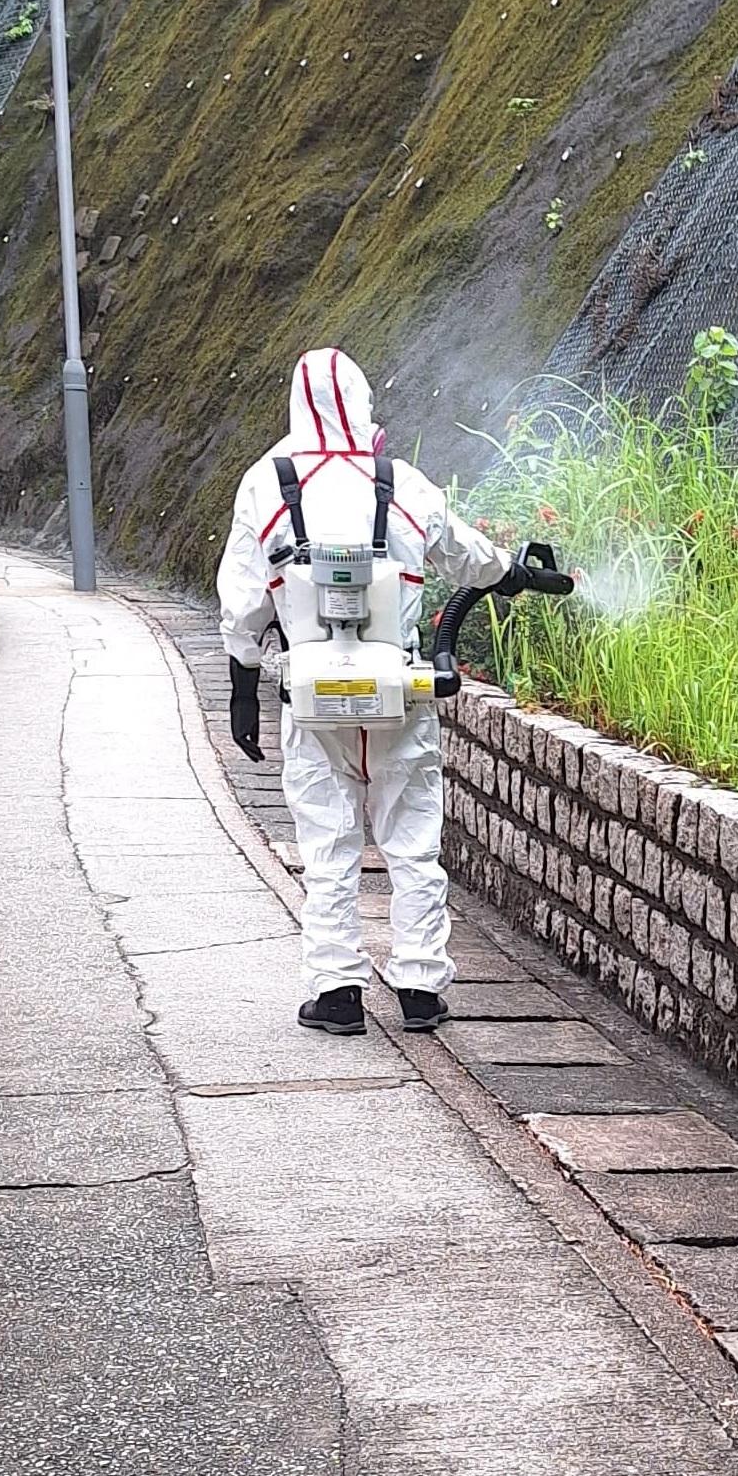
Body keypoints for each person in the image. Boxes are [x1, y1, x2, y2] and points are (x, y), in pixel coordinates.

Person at [217, 348, 511, 1037]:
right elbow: (469, 555)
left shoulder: (267, 483)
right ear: (363, 400)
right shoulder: (400, 481)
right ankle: (418, 983)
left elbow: (241, 602)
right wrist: (510, 570)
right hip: (398, 692)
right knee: (411, 842)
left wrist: (241, 690)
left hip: (311, 698)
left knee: (326, 844)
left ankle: (337, 988)